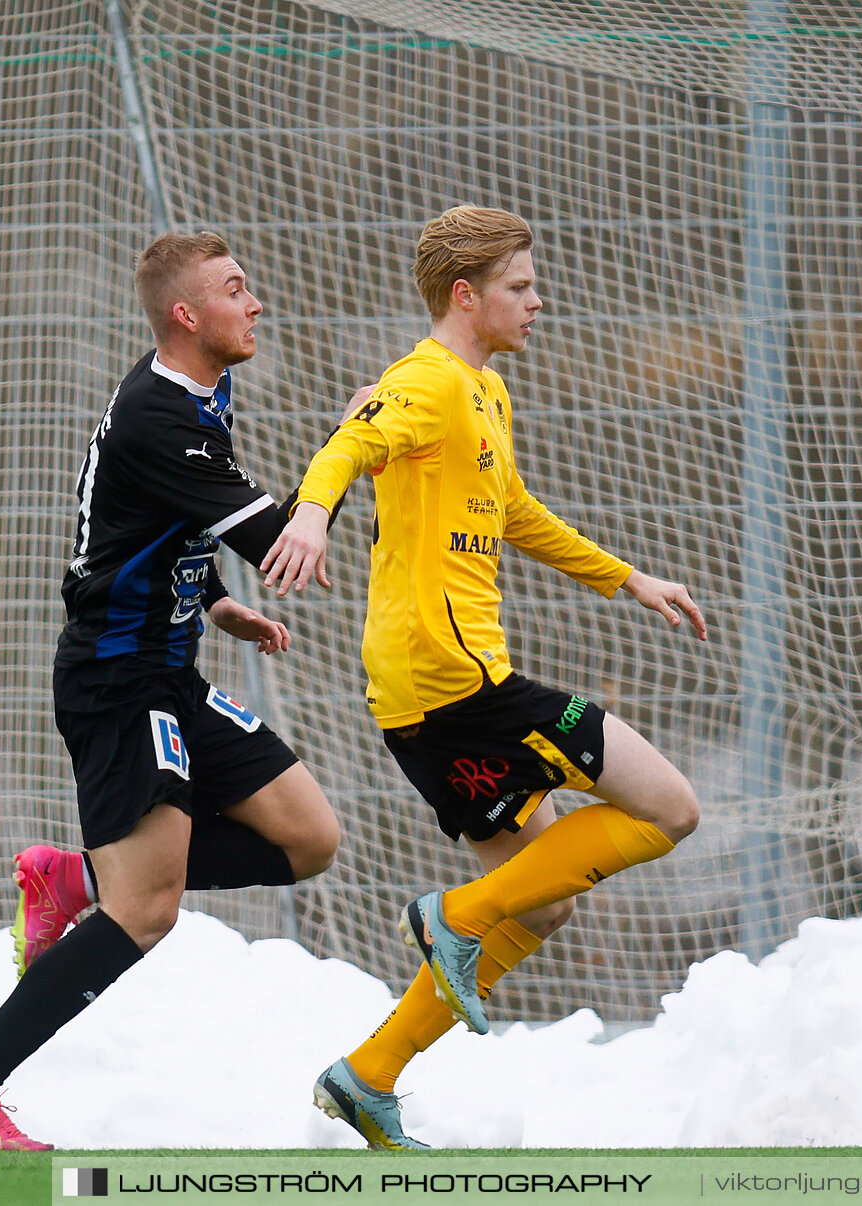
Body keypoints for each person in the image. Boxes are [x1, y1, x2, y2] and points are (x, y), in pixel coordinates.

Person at [258, 205, 705, 1150]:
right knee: (670, 809)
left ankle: (366, 1075)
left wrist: (631, 580)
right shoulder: (427, 381)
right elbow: (349, 443)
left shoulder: (487, 393)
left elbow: (516, 514)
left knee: (542, 901)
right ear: (466, 296)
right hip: (456, 678)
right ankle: (452, 915)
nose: (538, 301)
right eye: (519, 287)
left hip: (424, 692)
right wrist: (308, 515)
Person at [0, 231, 349, 1150]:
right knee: (145, 912)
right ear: (187, 315)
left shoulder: (197, 390)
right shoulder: (162, 415)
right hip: (118, 683)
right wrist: (364, 445)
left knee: (309, 838)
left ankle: (73, 875)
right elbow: (284, 542)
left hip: (171, 667)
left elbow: (144, 524)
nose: (255, 303)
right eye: (237, 290)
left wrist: (215, 601)